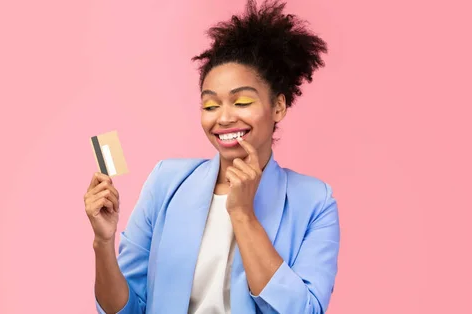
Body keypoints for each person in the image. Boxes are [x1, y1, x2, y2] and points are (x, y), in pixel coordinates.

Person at [84, 0, 340, 313]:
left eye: (242, 101)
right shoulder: (167, 182)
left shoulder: (314, 202)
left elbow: (306, 310)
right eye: (210, 106)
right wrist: (104, 242)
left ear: (278, 107)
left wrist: (243, 214)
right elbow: (124, 309)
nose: (224, 118)